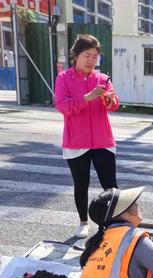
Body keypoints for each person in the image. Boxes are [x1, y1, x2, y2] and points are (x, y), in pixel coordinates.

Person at [55, 34, 120, 239]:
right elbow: (62, 106)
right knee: (81, 184)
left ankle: (114, 222)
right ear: (76, 55)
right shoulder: (64, 78)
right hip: (76, 142)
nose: (91, 60)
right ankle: (83, 222)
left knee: (110, 186)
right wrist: (87, 97)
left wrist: (109, 100)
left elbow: (114, 105)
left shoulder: (102, 79)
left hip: (103, 141)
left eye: (95, 56)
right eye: (87, 55)